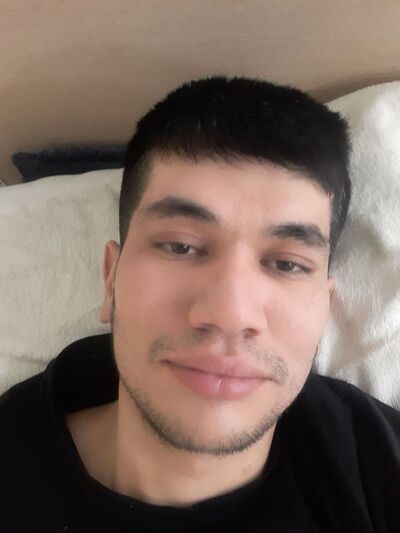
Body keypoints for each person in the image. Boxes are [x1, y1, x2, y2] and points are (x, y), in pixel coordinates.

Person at [0, 76, 399, 533]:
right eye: (180, 247)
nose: (230, 315)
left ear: (324, 307)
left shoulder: (378, 464)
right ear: (111, 281)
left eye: (287, 264)